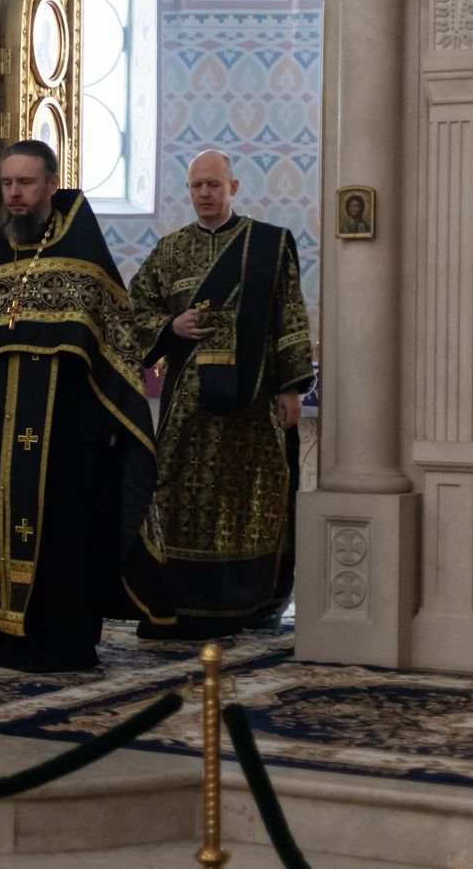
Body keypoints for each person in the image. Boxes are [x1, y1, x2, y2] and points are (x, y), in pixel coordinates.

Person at [0, 140, 173, 672]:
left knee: (61, 536)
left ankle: (65, 642)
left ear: (50, 184)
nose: (14, 194)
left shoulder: (84, 261)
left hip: (66, 435)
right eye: (6, 183)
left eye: (24, 183)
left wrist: (105, 423)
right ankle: (8, 635)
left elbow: (112, 351)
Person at [129, 149, 313, 640]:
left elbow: (290, 315)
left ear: (233, 188)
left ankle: (249, 605)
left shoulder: (269, 244)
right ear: (187, 191)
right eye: (196, 186)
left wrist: (291, 387)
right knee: (176, 497)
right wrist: (172, 325)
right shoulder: (170, 250)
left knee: (249, 498)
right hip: (187, 404)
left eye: (213, 185)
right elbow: (133, 310)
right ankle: (181, 604)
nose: (204, 194)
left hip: (255, 402)